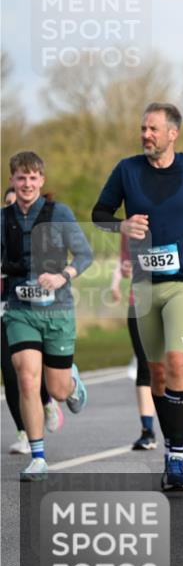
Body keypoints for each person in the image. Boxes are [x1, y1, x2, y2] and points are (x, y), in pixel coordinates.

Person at [92, 102, 183, 492]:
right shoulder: (127, 170)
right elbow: (100, 212)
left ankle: (175, 455)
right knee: (155, 373)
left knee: (176, 363)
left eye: (153, 129)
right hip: (143, 284)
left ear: (173, 133)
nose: (145, 135)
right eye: (143, 128)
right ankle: (174, 442)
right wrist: (122, 225)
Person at [3, 152, 93, 481]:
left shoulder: (60, 213)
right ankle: (38, 456)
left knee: (57, 390)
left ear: (41, 180)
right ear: (12, 180)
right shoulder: (3, 219)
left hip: (58, 311)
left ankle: (72, 384)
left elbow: (84, 255)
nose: (27, 184)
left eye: (32, 178)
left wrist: (61, 276)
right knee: (27, 379)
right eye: (21, 178)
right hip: (20, 310)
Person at [3, 188, 65, 454]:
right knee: (12, 374)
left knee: (35, 372)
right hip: (5, 312)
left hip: (32, 310)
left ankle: (48, 399)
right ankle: (24, 433)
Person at [110, 234, 157, 450]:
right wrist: (116, 282)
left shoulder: (172, 219)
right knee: (144, 365)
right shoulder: (129, 228)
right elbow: (124, 260)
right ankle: (147, 431)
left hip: (168, 301)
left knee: (168, 366)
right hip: (138, 303)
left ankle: (182, 396)